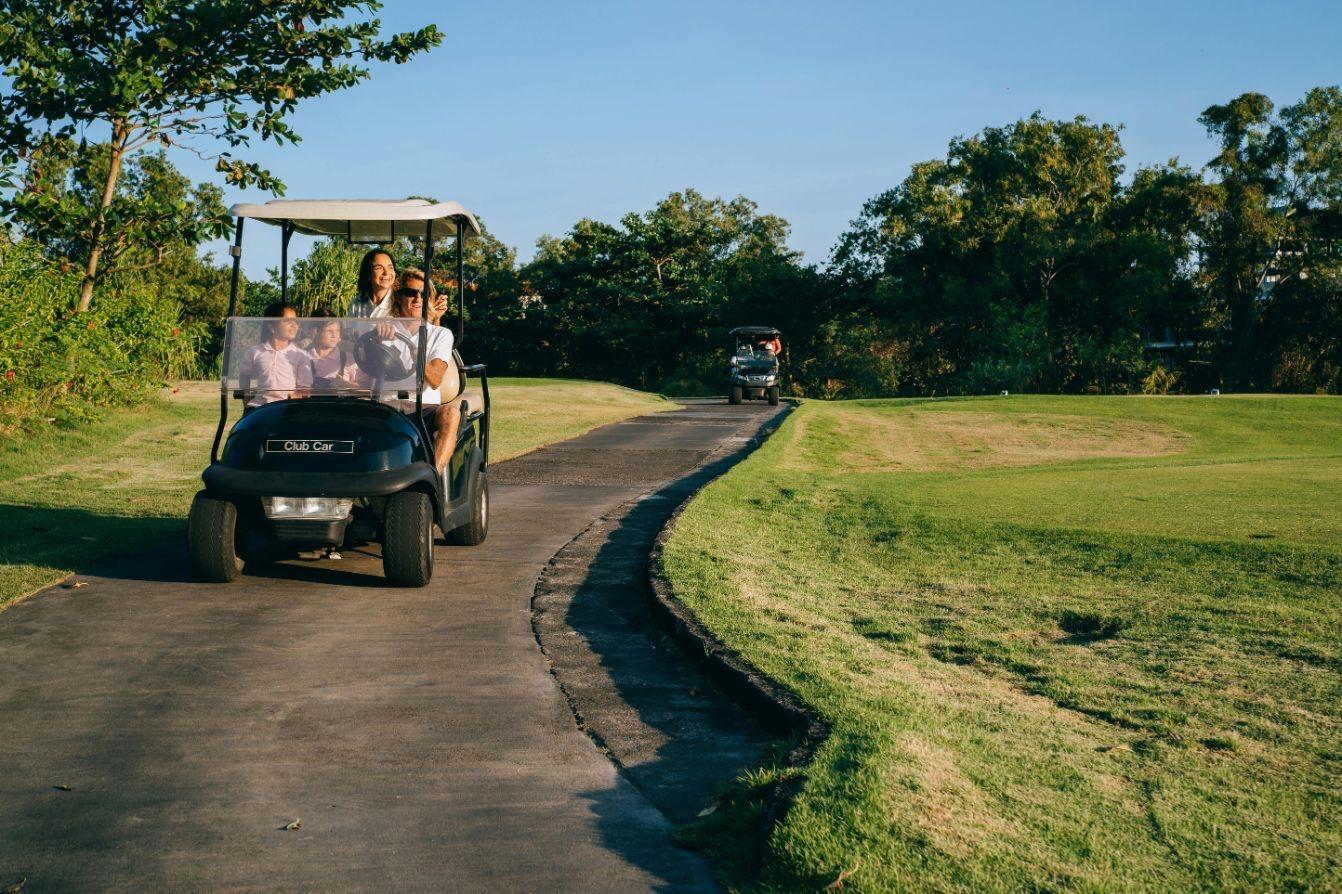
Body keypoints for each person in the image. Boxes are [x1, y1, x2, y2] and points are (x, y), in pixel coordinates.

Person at [385, 282, 462, 479]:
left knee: (451, 414)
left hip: (423, 406)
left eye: (423, 293)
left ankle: (432, 478)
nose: (417, 298)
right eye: (411, 292)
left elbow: (435, 380)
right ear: (399, 297)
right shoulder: (383, 329)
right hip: (385, 404)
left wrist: (420, 358)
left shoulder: (440, 334)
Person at [239, 302, 312, 408]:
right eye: (288, 321)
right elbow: (244, 375)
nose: (294, 326)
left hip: (286, 409)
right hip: (259, 407)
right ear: (271, 326)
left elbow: (305, 389)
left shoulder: (301, 355)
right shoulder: (255, 352)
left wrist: (295, 396)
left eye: (295, 321)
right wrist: (246, 401)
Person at [304, 309, 361, 391]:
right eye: (329, 331)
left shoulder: (348, 359)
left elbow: (363, 390)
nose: (334, 335)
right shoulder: (303, 358)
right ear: (315, 332)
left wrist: (346, 385)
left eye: (337, 331)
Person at [348, 248, 397, 318]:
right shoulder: (356, 304)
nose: (386, 273)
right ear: (368, 274)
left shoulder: (401, 303)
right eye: (379, 268)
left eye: (390, 267)